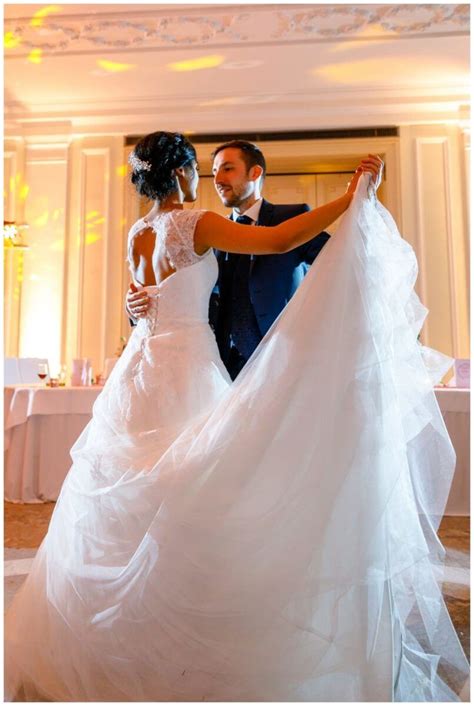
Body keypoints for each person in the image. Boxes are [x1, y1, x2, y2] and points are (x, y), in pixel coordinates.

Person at [5, 132, 468, 702]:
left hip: (142, 375)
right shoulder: (191, 222)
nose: (206, 178)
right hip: (187, 370)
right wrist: (350, 197)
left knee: (154, 493)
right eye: (199, 168)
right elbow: (273, 241)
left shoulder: (137, 233)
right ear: (180, 173)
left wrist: (135, 308)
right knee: (206, 491)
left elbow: (151, 296)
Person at [127, 140, 377, 379]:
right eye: (212, 171)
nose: (216, 179)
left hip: (282, 357)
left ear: (255, 172)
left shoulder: (291, 217)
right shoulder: (205, 228)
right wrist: (134, 304)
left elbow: (338, 254)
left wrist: (358, 203)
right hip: (221, 362)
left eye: (227, 169)